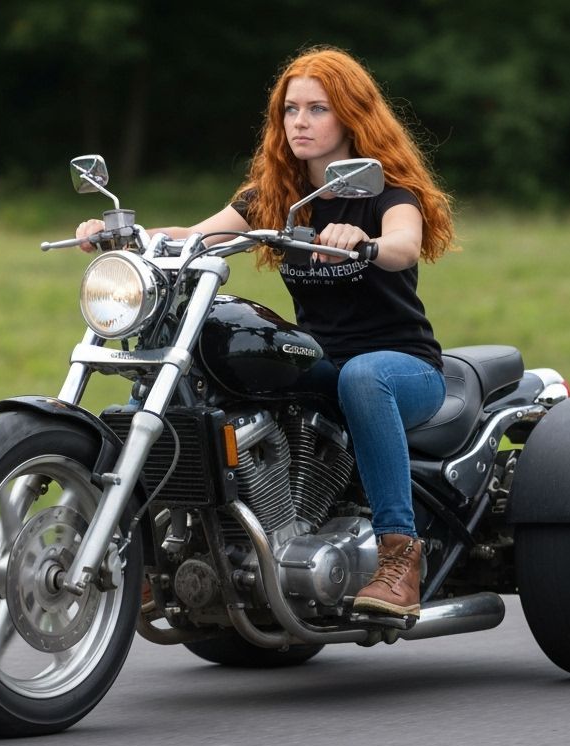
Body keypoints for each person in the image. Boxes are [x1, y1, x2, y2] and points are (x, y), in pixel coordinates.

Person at [75, 46, 455, 618]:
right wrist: (125, 235)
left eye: (318, 110)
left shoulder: (385, 193)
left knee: (364, 375)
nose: (299, 122)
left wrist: (364, 242)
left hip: (402, 367)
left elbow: (403, 244)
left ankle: (400, 557)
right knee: (201, 376)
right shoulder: (276, 198)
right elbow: (195, 235)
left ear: (351, 116)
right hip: (323, 360)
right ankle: (151, 553)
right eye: (290, 110)